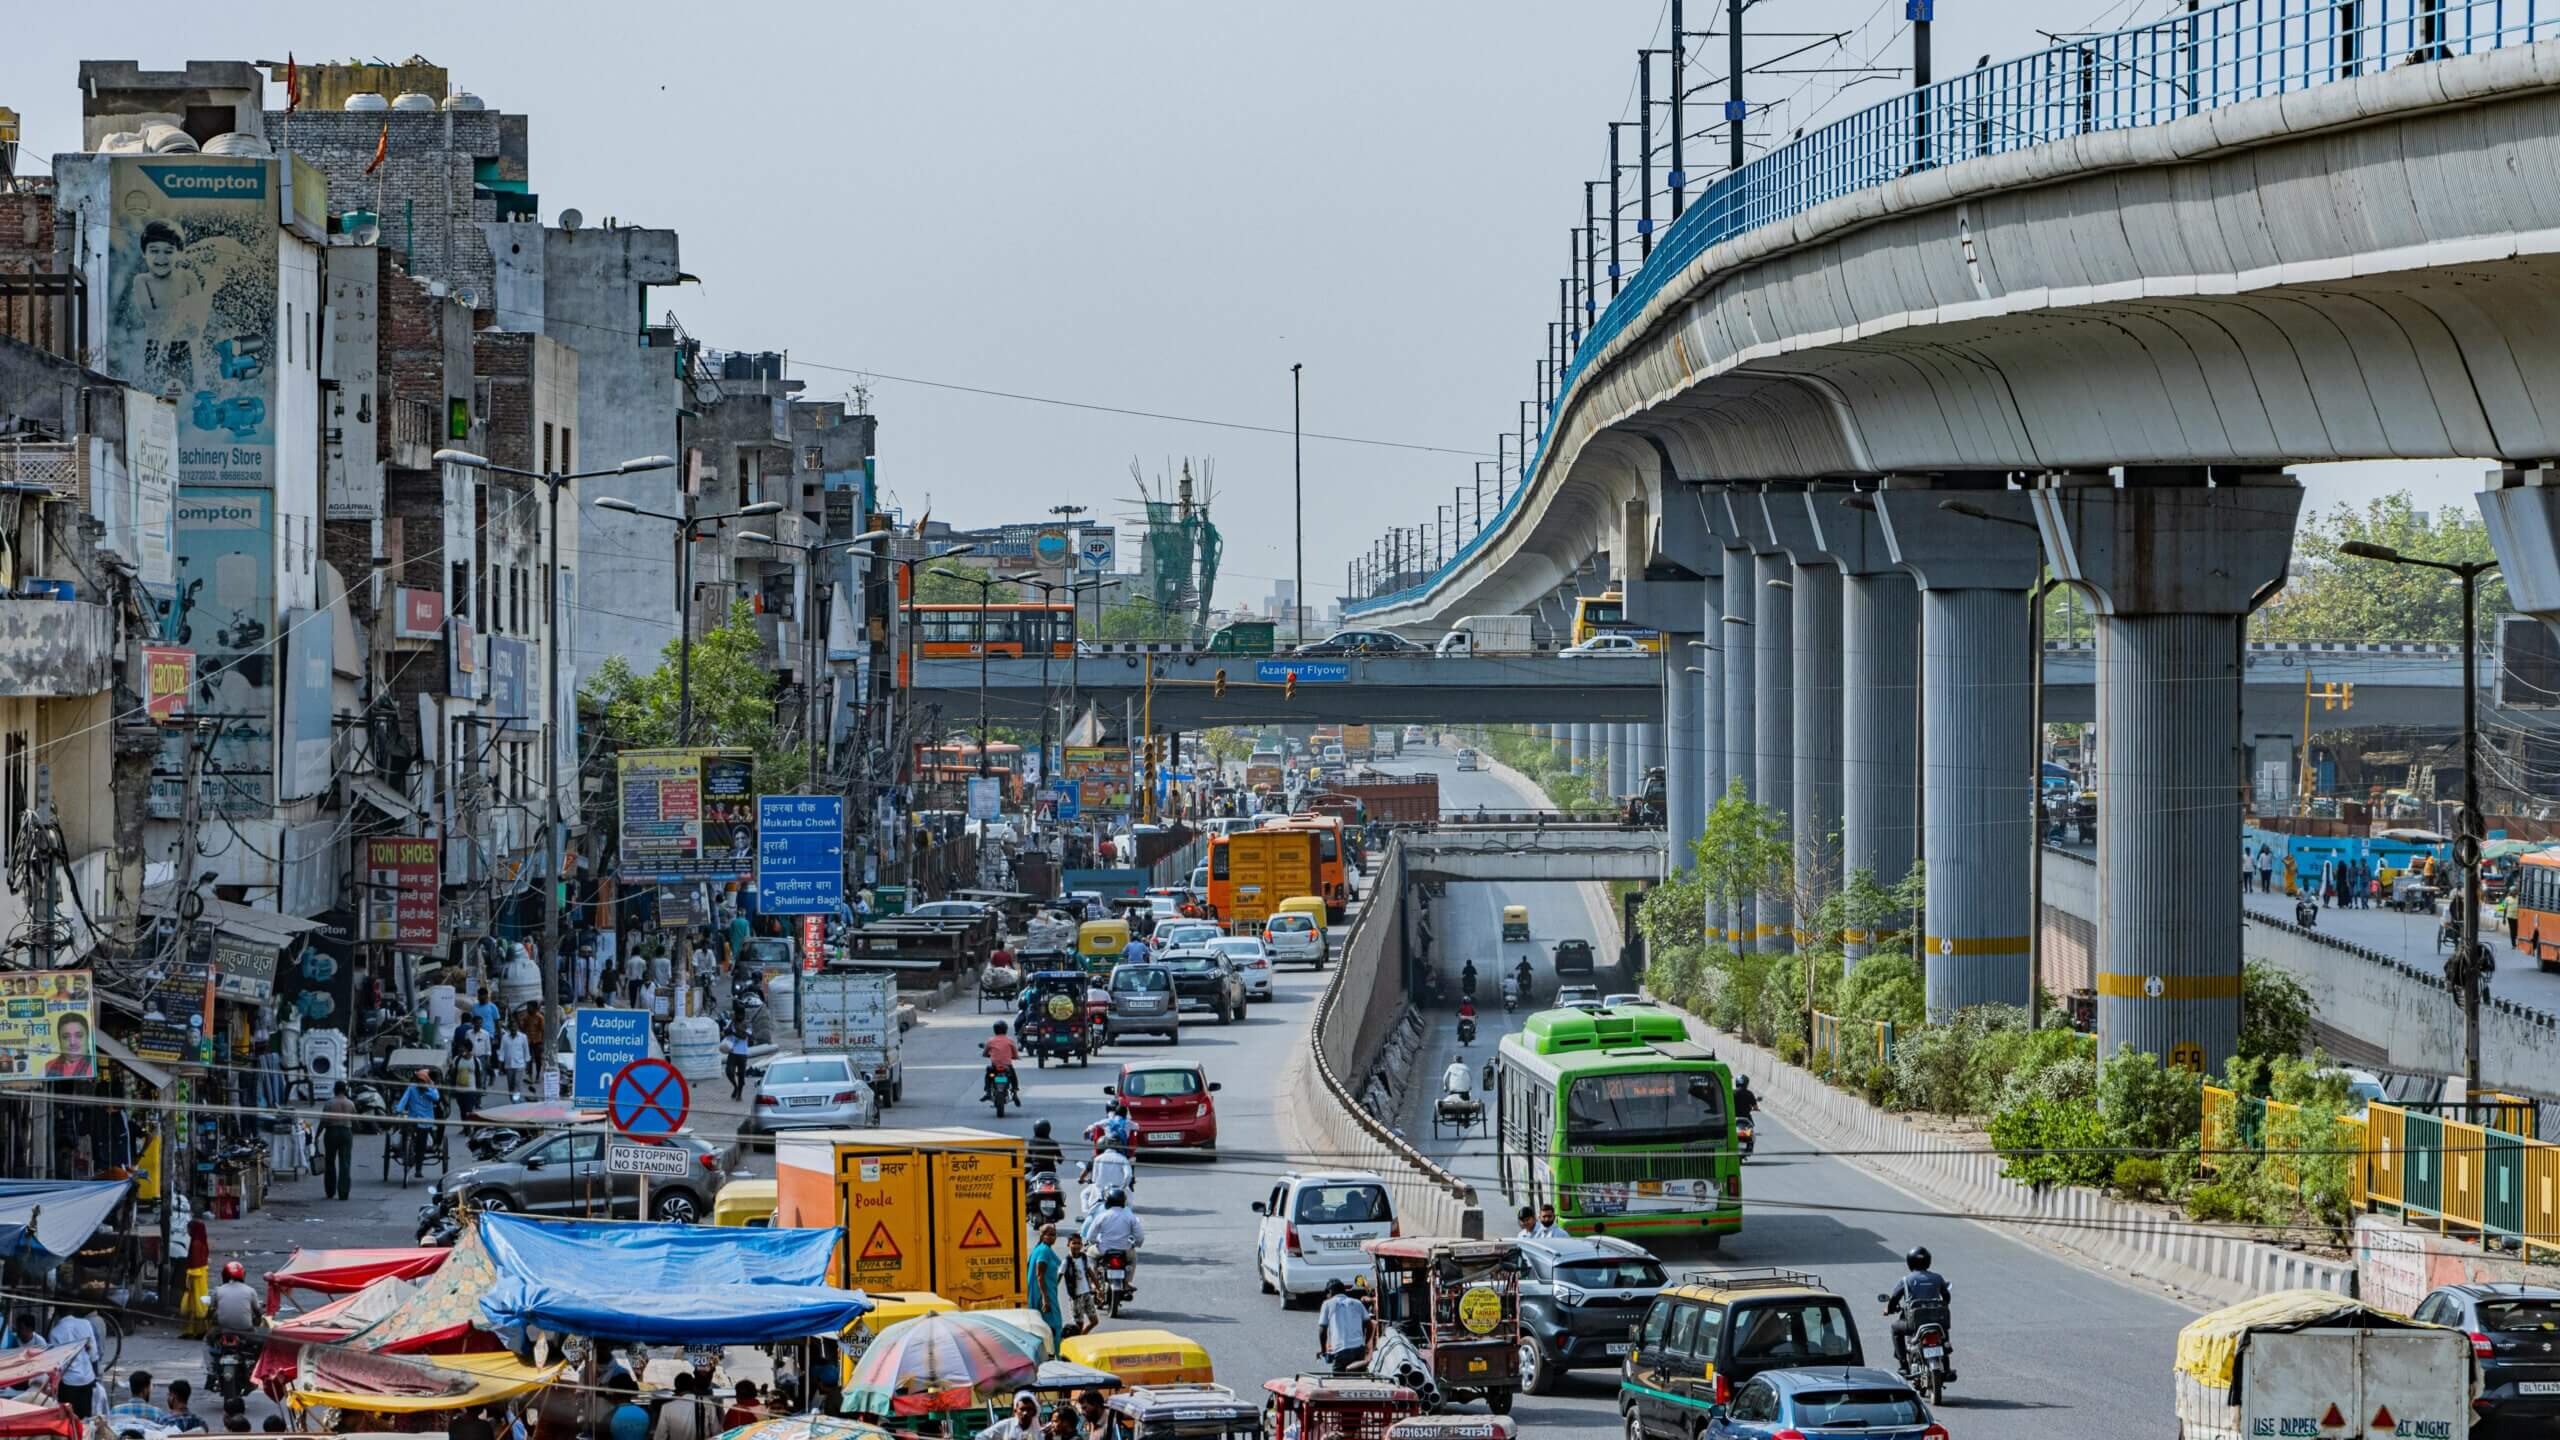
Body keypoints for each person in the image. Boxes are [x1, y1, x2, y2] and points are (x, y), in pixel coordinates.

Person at [1883, 1246, 1955, 1380]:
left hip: (1914, 1323)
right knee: (1943, 1331)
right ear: (1928, 1261)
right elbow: (1947, 1298)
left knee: (1895, 1328)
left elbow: (1893, 1300)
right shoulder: (1938, 1278)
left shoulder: (1906, 1280)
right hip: (1937, 1321)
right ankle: (1947, 1367)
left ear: (1909, 1262)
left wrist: (1888, 1309)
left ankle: (1903, 1366)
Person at [1084, 1189, 1146, 1296]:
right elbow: (1139, 1237)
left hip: (1103, 1249)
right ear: (1123, 1201)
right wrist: (1135, 1244)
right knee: (1133, 1258)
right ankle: (1127, 1282)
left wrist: (1095, 1243)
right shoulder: (1130, 1216)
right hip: (1124, 1250)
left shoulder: (1102, 1216)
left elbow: (1090, 1236)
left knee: (1090, 1254)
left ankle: (1094, 1284)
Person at [48, 1305, 99, 1417]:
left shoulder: (55, 1332)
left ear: (58, 1312)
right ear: (73, 1309)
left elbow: (57, 1364)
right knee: (85, 1418)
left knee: (68, 1420)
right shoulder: (85, 1324)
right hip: (87, 1378)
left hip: (69, 1382)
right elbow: (94, 1354)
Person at [1316, 1277, 1372, 1370]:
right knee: (1358, 1378)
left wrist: (1323, 1350)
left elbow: (1322, 1330)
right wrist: (1365, 1343)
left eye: (1327, 1293)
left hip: (1341, 1351)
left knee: (1338, 1380)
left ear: (1330, 1291)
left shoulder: (1327, 1304)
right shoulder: (1357, 1303)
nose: (1327, 1296)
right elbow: (1369, 1326)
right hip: (1359, 1349)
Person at [1026, 1222, 1066, 1344]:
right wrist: (1045, 1298)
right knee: (1055, 1325)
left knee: (1042, 1328)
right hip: (1045, 1295)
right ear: (1042, 1235)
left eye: (1054, 1235)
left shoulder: (1042, 1249)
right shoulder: (1043, 1251)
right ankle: (1057, 1356)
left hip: (1048, 1292)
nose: (1053, 1237)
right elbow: (1039, 1275)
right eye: (1049, 1235)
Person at [396, 1066, 441, 1172]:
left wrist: (428, 1089)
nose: (420, 1083)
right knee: (405, 1132)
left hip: (425, 1122)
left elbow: (436, 1098)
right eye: (419, 1081)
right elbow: (404, 1099)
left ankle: (418, 1169)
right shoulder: (412, 1088)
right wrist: (398, 1110)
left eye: (422, 1081)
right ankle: (405, 1152)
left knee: (421, 1145)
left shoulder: (431, 1089)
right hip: (413, 1119)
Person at [320, 1085, 357, 1201]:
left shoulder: (329, 1103)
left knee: (330, 1161)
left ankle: (330, 1191)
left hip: (331, 1132)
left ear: (334, 1090)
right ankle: (343, 1193)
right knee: (345, 1163)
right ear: (345, 1091)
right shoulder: (350, 1104)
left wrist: (316, 1135)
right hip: (346, 1132)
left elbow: (323, 1122)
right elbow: (355, 1121)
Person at [1061, 1231, 1101, 1336]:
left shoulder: (1083, 1257)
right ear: (1068, 1244)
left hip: (1087, 1294)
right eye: (1074, 1243)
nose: (1077, 1246)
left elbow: (1090, 1272)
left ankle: (1081, 1337)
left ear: (1082, 1245)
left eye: (1079, 1243)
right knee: (1079, 1324)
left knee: (1094, 1321)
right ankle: (1078, 1341)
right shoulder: (1067, 1261)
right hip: (1076, 1296)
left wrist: (1098, 1289)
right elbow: (1059, 1275)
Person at [652, 1373, 714, 1440]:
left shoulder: (666, 1408)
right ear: (693, 1387)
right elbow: (717, 1432)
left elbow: (659, 1437)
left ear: (677, 1388)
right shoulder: (707, 1403)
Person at [211, 1258, 264, 1334]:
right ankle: (253, 1332)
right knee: (258, 1314)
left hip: (222, 1328)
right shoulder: (250, 1290)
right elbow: (257, 1312)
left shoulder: (218, 1290)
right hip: (246, 1328)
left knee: (213, 1314)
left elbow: (211, 1309)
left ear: (224, 1275)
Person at [45, 1011, 94, 1079]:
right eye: (65, 1037)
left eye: (79, 1036)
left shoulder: (94, 1065)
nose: (72, 1042)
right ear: (59, 1040)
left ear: (88, 1038)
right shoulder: (49, 1066)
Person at [982, 1022, 1021, 1102]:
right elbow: (1015, 1054)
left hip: (994, 1067)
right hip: (1007, 1067)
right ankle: (1015, 1092)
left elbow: (985, 1053)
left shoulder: (991, 1041)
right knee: (1013, 1076)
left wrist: (987, 1054)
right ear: (1005, 1030)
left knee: (989, 1075)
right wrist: (1016, 1057)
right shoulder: (1010, 1040)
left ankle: (988, 1092)